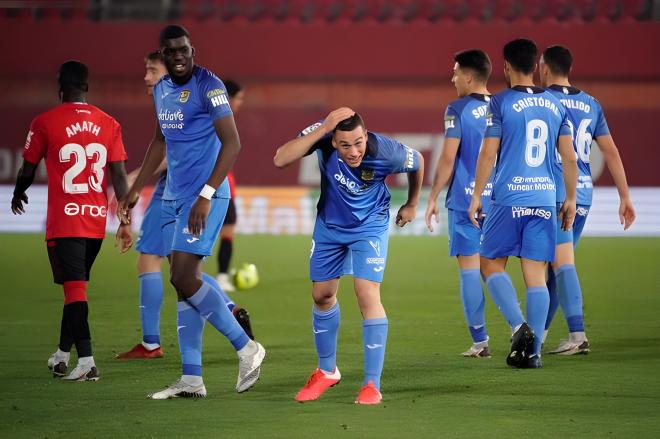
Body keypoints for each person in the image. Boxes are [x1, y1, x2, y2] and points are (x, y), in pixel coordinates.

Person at [117, 25, 265, 399]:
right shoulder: (163, 91)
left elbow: (233, 143)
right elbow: (158, 142)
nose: (178, 56)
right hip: (176, 197)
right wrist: (135, 190)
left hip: (207, 196)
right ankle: (192, 378)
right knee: (184, 284)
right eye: (171, 52)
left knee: (183, 277)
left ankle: (247, 348)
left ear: (192, 50)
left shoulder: (209, 86)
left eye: (183, 49)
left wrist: (206, 193)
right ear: (163, 56)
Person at [274, 108, 424, 405]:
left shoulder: (386, 151)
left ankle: (372, 385)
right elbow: (280, 159)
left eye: (359, 142)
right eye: (345, 145)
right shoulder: (323, 136)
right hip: (329, 225)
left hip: (370, 225)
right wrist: (323, 129)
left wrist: (411, 202)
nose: (354, 151)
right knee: (322, 295)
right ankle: (327, 371)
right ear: (333, 142)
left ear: (365, 136)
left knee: (366, 293)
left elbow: (417, 160)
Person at [11, 60, 131, 381]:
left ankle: (88, 362)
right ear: (87, 86)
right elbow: (118, 175)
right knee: (75, 290)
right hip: (95, 221)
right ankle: (62, 354)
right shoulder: (109, 123)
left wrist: (18, 193)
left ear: (59, 86)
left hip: (65, 222)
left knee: (74, 291)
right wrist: (125, 214)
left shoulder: (45, 122)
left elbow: (28, 168)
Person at [467, 38, 578, 369]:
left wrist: (476, 196)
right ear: (535, 66)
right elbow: (569, 158)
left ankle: (520, 328)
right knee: (536, 275)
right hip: (544, 198)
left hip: (509, 197)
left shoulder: (499, 103)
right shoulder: (558, 106)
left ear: (505, 66)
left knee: (489, 264)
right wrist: (569, 198)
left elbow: (489, 152)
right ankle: (534, 351)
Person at [539, 45, 636, 354]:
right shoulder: (591, 103)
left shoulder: (543, 101)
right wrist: (625, 196)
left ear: (544, 67)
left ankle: (577, 335)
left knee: (561, 262)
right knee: (555, 263)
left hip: (558, 193)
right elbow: (611, 152)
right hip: (584, 195)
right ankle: (538, 335)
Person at [425, 49, 494, 358]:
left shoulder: (457, 109)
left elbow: (448, 159)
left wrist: (433, 196)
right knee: (494, 269)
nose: (452, 79)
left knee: (469, 269)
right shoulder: (503, 106)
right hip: (502, 200)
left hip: (466, 199)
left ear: (468, 76)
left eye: (455, 73)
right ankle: (525, 329)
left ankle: (480, 342)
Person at [215, 79, 245, 293]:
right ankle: (222, 276)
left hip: (226, 186)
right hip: (217, 186)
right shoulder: (219, 120)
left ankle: (220, 276)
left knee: (226, 231)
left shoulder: (221, 119)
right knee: (224, 232)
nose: (240, 103)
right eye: (239, 98)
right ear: (228, 98)